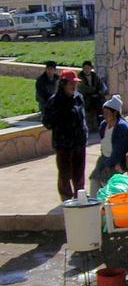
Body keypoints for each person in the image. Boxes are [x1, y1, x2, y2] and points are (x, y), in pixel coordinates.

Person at [42, 70, 88, 201]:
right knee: (65, 174)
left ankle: (80, 196)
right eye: (71, 83)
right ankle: (67, 198)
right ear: (63, 84)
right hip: (63, 144)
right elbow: (47, 123)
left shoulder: (78, 97)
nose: (74, 86)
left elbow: (82, 118)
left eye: (75, 83)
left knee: (79, 172)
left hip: (79, 142)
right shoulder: (54, 101)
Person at [89, 95, 128, 195]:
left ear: (115, 113)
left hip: (116, 162)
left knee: (108, 186)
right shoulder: (104, 125)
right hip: (104, 159)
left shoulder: (122, 128)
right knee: (94, 180)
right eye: (103, 112)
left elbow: (119, 151)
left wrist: (109, 165)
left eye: (107, 113)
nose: (104, 115)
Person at [78, 60, 107, 130]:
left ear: (91, 68)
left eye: (88, 68)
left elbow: (101, 87)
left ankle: (101, 125)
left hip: (96, 97)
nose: (86, 70)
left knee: (101, 106)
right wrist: (94, 90)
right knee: (93, 103)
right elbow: (83, 89)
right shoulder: (80, 77)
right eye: (85, 68)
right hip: (86, 97)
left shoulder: (95, 76)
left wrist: (98, 92)